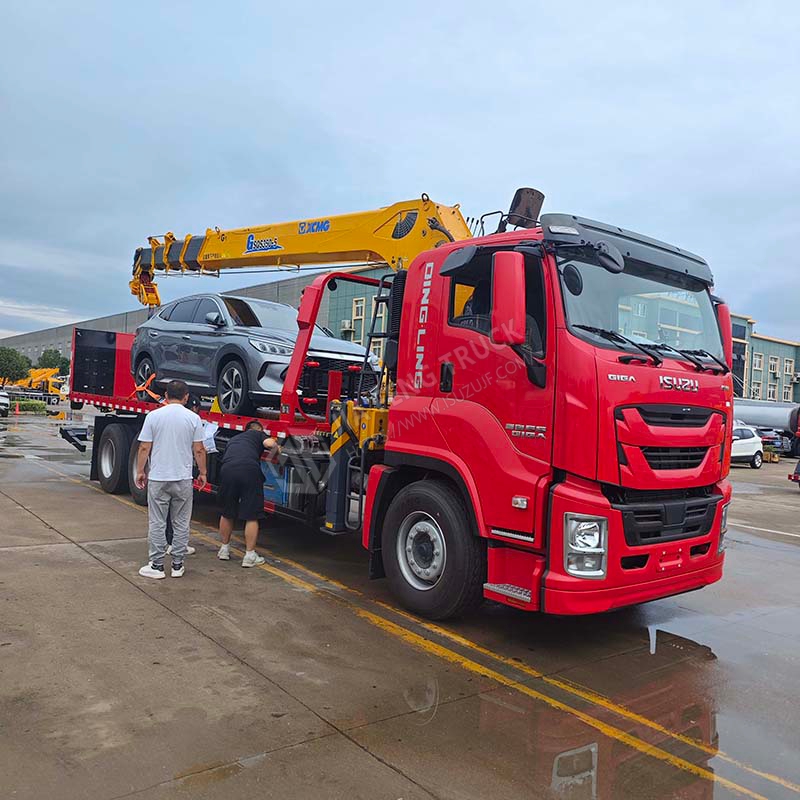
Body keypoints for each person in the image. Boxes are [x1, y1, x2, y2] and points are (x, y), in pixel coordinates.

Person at [135, 380, 207, 579]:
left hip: (159, 477)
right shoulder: (193, 418)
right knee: (181, 522)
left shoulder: (153, 416)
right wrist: (203, 472)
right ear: (186, 397)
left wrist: (140, 471)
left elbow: (144, 447)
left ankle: (157, 566)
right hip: (183, 478)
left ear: (165, 395)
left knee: (158, 521)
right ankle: (177, 565)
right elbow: (199, 449)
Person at [217, 420, 279, 567]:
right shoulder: (258, 434)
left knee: (227, 512)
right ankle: (250, 555)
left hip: (227, 470)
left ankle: (224, 550)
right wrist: (278, 449)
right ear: (258, 430)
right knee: (252, 514)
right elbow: (270, 444)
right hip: (248, 470)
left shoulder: (234, 439)